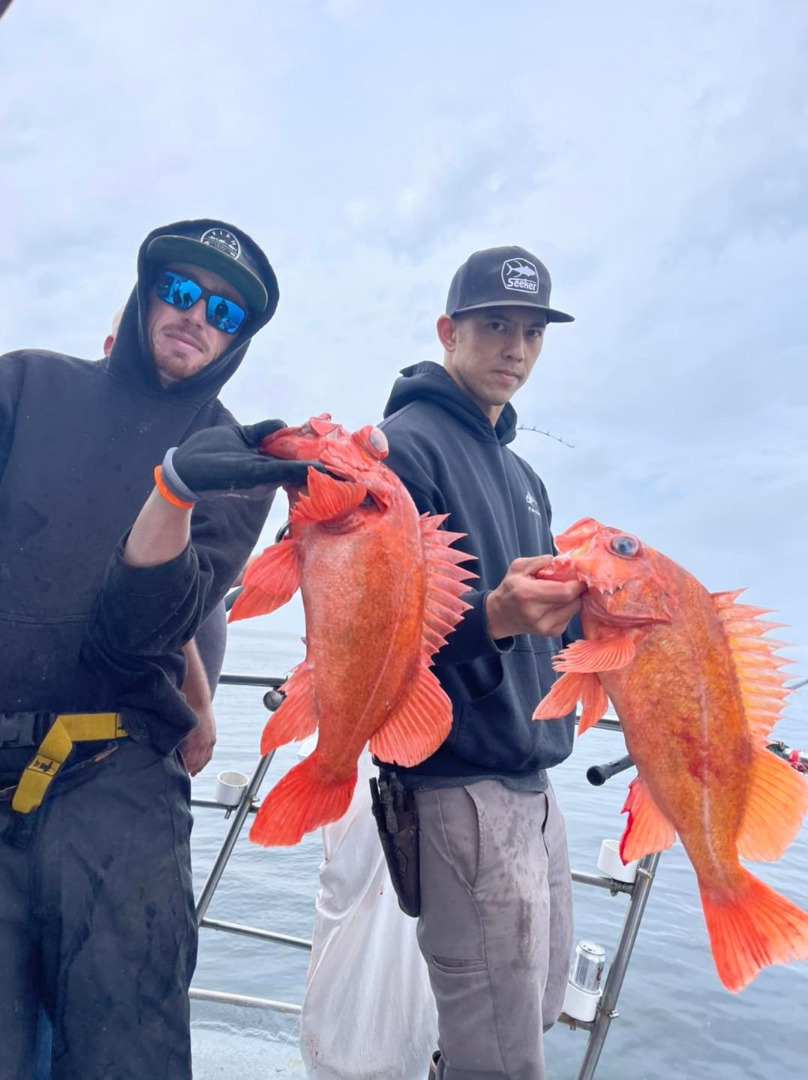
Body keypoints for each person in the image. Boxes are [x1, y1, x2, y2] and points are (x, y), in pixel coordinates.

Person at [0, 218, 307, 1079]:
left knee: (125, 1051)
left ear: (237, 339)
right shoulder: (25, 386)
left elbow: (138, 639)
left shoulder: (232, 461)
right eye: (180, 291)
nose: (197, 316)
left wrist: (175, 491)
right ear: (144, 293)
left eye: (225, 312)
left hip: (122, 790)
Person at [379, 246, 585, 1080]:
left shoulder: (526, 475)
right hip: (457, 783)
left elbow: (557, 636)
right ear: (448, 331)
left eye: (532, 332)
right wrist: (492, 615)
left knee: (531, 1009)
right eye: (496, 325)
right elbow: (384, 632)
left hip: (536, 788)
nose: (516, 349)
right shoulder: (403, 450)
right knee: (498, 1051)